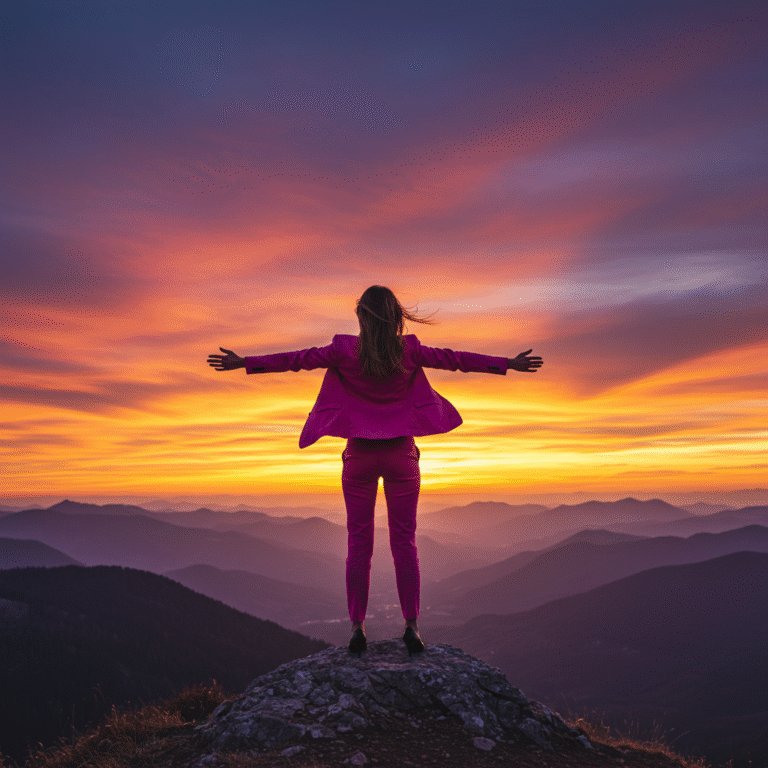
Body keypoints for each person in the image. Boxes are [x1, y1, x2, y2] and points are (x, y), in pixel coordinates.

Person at [207, 285, 543, 658]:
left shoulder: (342, 350)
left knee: (358, 543)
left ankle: (357, 627)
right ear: (397, 316)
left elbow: (297, 358)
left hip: (359, 458)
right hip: (401, 457)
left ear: (361, 317)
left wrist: (246, 363)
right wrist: (506, 364)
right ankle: (412, 626)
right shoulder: (410, 350)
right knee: (405, 542)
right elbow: (454, 359)